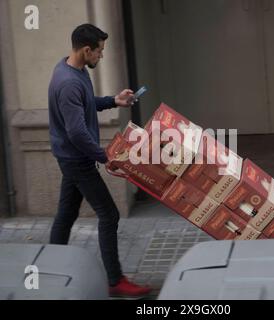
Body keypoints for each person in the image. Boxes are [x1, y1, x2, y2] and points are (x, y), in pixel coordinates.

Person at [48, 23, 152, 299]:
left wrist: (114, 101)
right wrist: (104, 156)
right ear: (86, 50)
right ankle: (115, 280)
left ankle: (50, 269)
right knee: (110, 214)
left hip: (71, 157)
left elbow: (85, 103)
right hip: (77, 160)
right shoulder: (68, 82)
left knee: (66, 215)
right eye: (99, 51)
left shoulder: (74, 70)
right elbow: (77, 131)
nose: (101, 56)